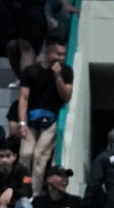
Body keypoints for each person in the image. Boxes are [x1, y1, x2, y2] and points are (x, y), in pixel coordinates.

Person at [15, 38, 73, 195]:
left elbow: (67, 96)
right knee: (26, 155)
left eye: (63, 54)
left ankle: (34, 194)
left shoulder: (66, 71)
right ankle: (25, 188)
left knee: (40, 156)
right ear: (48, 52)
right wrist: (21, 122)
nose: (61, 58)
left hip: (51, 121)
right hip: (31, 120)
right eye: (58, 54)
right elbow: (23, 98)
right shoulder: (30, 71)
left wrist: (58, 77)